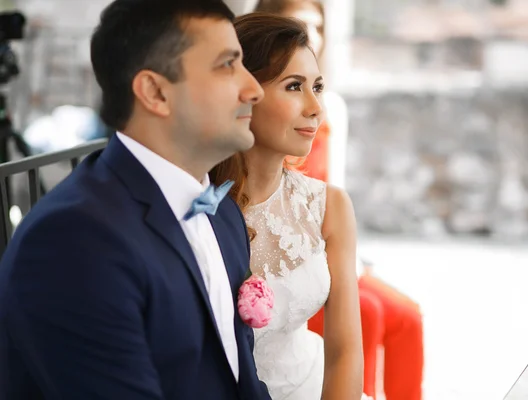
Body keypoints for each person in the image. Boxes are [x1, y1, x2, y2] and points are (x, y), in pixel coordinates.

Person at [0, 1, 271, 399]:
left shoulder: (223, 213)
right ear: (155, 91)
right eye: (227, 65)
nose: (254, 88)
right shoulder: (73, 240)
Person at [253, 1, 425, 399]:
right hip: (291, 251)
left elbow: (334, 187)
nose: (310, 35)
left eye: (317, 27)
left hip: (319, 234)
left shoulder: (331, 116)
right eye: (298, 24)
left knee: (406, 316)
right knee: (368, 312)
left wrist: (345, 252)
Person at [210, 13, 365, 399]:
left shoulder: (329, 207)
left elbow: (345, 351)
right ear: (243, 92)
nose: (316, 108)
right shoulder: (197, 210)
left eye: (318, 87)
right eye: (294, 86)